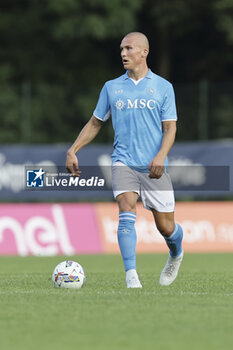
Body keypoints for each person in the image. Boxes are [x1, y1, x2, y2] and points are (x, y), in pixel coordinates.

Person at [66, 32, 183, 288]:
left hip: (154, 165)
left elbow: (170, 128)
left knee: (166, 228)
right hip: (123, 161)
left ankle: (176, 253)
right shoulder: (111, 87)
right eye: (121, 49)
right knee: (126, 209)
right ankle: (132, 277)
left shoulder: (163, 87)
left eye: (129, 48)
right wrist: (73, 149)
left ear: (144, 52)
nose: (123, 53)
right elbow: (96, 122)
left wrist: (161, 155)